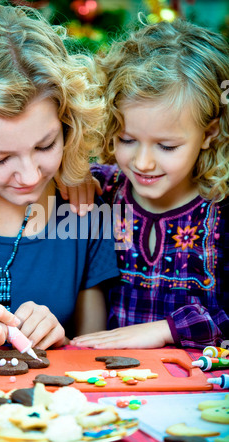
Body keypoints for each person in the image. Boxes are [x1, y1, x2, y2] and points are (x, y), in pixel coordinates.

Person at [0, 4, 119, 366]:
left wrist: (62, 339)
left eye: (46, 145)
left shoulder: (84, 211)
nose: (31, 176)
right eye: (0, 159)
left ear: (68, 125)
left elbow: (95, 356)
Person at [69, 19, 229, 350]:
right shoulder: (103, 190)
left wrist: (169, 329)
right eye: (126, 139)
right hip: (115, 385)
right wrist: (71, 173)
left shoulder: (221, 209)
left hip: (200, 391)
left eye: (166, 146)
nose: (142, 163)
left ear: (209, 133)